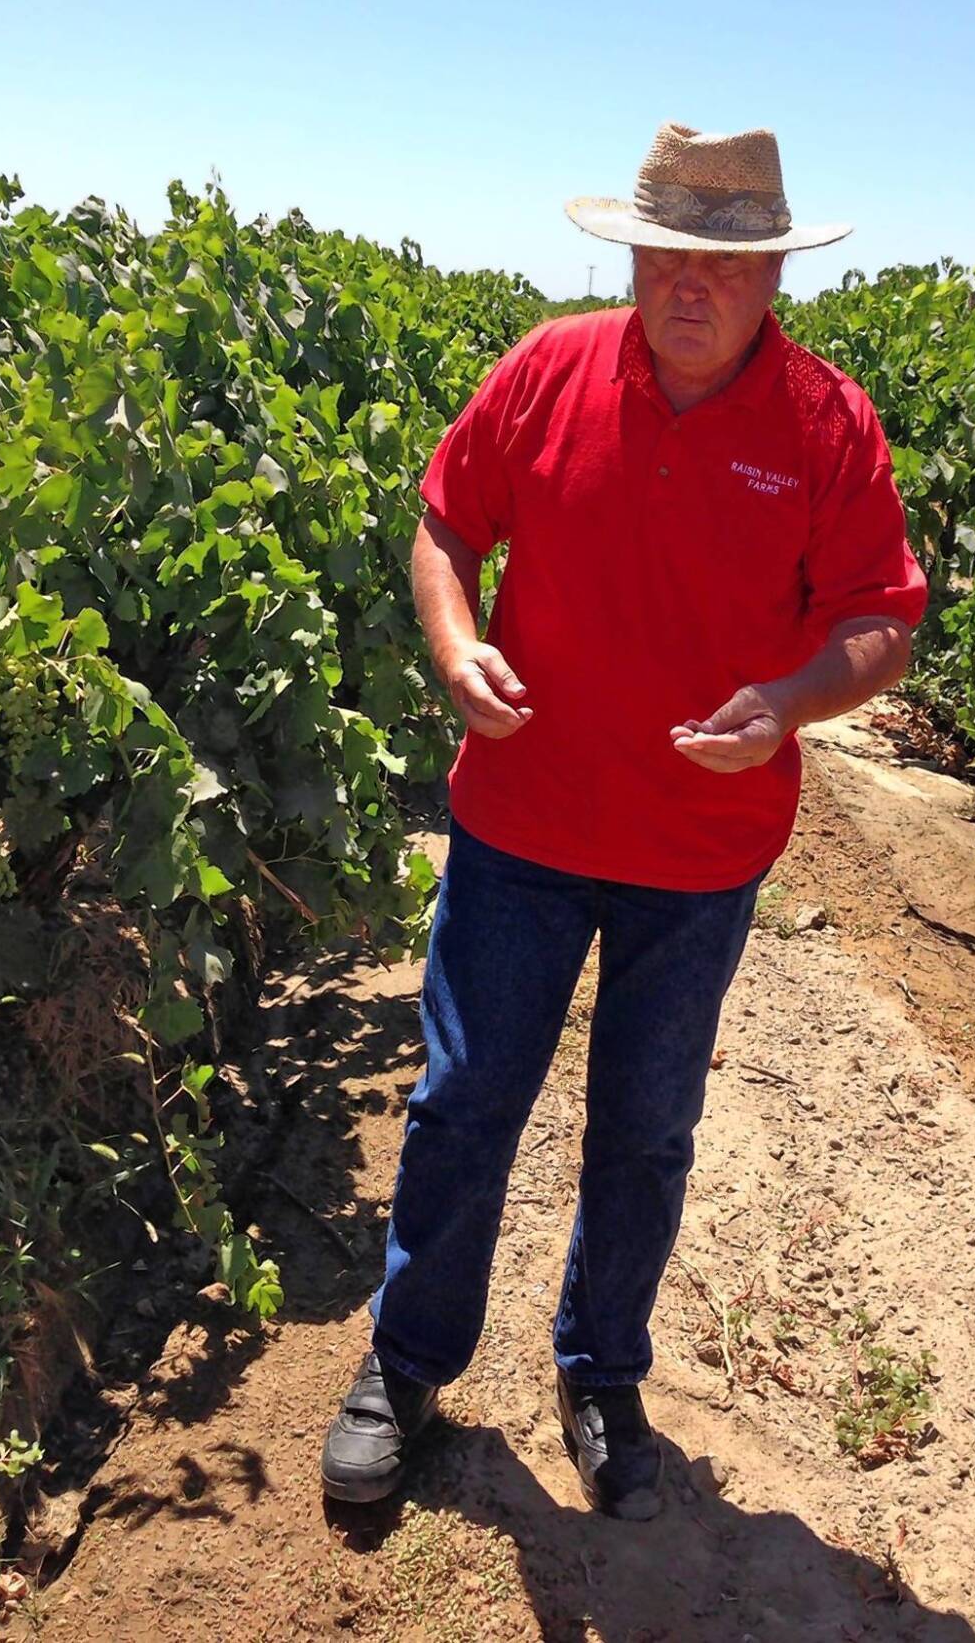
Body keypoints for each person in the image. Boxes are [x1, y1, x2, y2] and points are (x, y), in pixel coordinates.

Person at [321, 121, 928, 1520]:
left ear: (774, 271)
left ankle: (600, 1370)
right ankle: (405, 1366)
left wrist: (786, 700)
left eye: (725, 260)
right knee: (465, 1103)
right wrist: (452, 640)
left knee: (645, 1132)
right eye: (667, 252)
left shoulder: (829, 424)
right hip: (521, 828)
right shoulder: (546, 369)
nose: (690, 285)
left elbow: (882, 622)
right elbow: (442, 524)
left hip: (699, 860)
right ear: (633, 253)